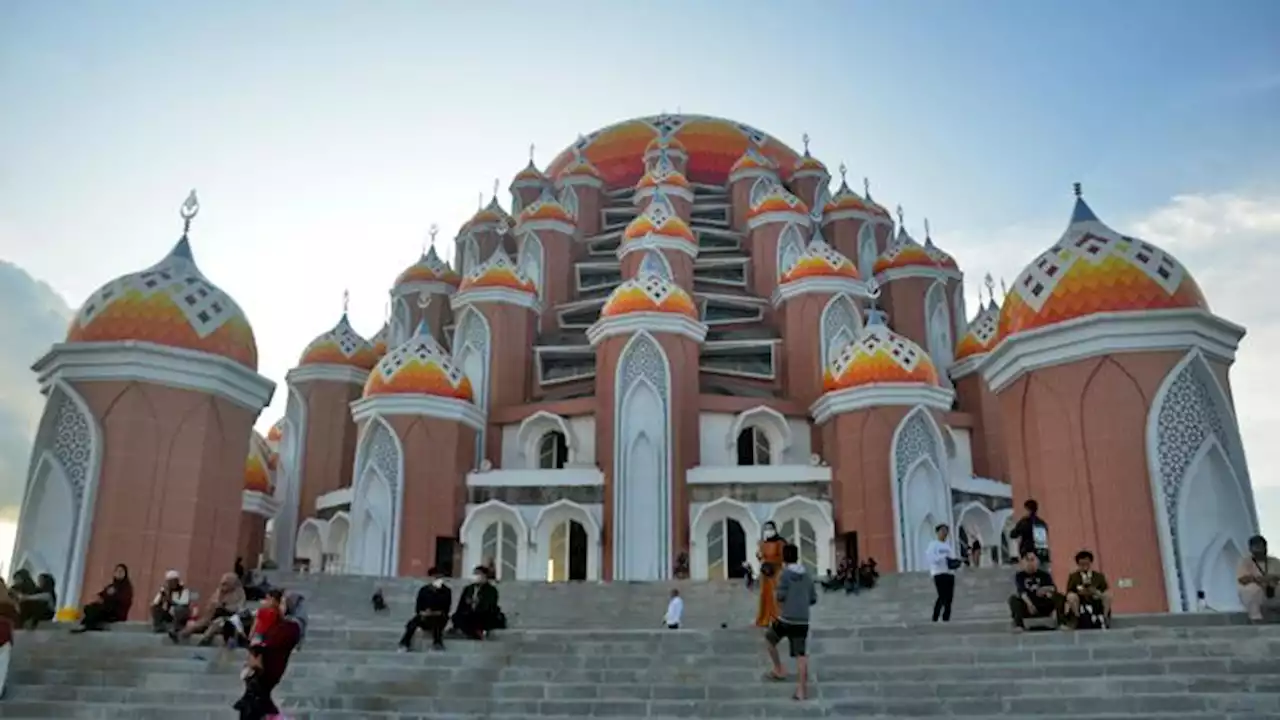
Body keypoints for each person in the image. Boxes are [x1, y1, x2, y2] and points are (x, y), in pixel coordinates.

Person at [234, 591, 303, 720]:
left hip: (269, 668)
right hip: (263, 669)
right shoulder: (282, 623)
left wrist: (258, 647)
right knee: (254, 703)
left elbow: (272, 644)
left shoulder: (291, 626)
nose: (280, 606)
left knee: (255, 704)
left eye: (283, 603)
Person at [764, 543, 818, 701]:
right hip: (802, 621)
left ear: (784, 557)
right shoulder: (807, 575)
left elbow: (780, 596)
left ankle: (778, 669)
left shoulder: (784, 574)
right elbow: (813, 598)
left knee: (769, 639)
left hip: (786, 618)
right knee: (801, 655)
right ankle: (802, 691)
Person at [177, 572, 244, 644]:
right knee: (199, 623)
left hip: (229, 618)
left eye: (226, 583)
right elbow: (211, 604)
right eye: (222, 584)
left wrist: (224, 606)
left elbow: (238, 608)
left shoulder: (239, 593)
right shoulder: (219, 591)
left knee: (216, 623)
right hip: (213, 615)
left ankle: (205, 639)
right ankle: (181, 634)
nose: (223, 586)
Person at [399, 568, 452, 652]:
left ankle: (437, 643)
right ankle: (405, 643)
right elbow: (418, 607)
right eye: (435, 577)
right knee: (412, 623)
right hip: (425, 616)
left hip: (439, 616)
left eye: (439, 577)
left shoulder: (446, 591)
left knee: (437, 623)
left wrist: (434, 612)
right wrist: (423, 612)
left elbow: (446, 608)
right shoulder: (424, 590)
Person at [1009, 550, 1063, 631]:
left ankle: (1062, 623)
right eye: (1028, 560)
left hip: (1043, 603)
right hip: (1028, 604)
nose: (1030, 563)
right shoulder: (1020, 576)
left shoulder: (1044, 575)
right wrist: (1029, 604)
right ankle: (1019, 625)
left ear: (1037, 561)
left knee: (1059, 597)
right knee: (1013, 599)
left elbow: (1052, 588)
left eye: (1032, 560)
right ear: (1023, 562)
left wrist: (1045, 589)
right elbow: (1021, 592)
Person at [72, 564, 133, 633]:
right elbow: (102, 594)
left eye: (121, 571)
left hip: (116, 613)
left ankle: (86, 626)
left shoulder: (126, 587)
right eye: (117, 571)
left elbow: (124, 601)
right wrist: (98, 597)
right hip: (106, 609)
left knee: (96, 611)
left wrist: (112, 596)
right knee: (89, 608)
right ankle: (86, 625)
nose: (119, 573)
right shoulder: (112, 586)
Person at [451, 567, 503, 639]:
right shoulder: (469, 588)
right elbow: (461, 604)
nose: (476, 577)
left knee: (479, 618)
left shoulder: (491, 590)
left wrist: (478, 602)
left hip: (483, 613)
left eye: (479, 574)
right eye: (475, 574)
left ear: (485, 576)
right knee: (457, 617)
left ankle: (475, 632)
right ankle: (474, 632)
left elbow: (490, 604)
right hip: (469, 613)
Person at [1064, 550, 1111, 629]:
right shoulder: (1073, 576)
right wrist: (1079, 592)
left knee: (1108, 595)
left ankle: (1105, 617)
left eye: (1086, 564)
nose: (1084, 566)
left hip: (1095, 597)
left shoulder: (1099, 576)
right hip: (1080, 598)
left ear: (1090, 562)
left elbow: (1105, 589)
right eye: (1081, 564)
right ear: (1078, 564)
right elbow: (1069, 591)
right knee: (1071, 596)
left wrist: (1096, 592)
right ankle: (1077, 617)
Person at [1238, 534, 1280, 623]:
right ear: (1251, 549)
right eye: (1256, 547)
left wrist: (1271, 579)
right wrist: (1259, 580)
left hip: (1273, 590)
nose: (1259, 549)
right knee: (1252, 589)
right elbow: (1242, 579)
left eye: (1261, 546)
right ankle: (1256, 618)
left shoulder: (1275, 561)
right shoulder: (1245, 562)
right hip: (1257, 591)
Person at [926, 524, 961, 622]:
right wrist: (943, 558)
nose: (944, 533)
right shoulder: (933, 545)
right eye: (942, 531)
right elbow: (931, 558)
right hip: (938, 573)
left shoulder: (948, 546)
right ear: (937, 532)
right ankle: (935, 617)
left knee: (949, 598)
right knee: (942, 596)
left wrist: (955, 562)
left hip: (949, 573)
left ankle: (946, 618)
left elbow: (951, 559)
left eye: (946, 531)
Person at [755, 521, 786, 627]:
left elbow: (782, 557)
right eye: (766, 529)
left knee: (775, 595)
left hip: (775, 572)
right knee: (765, 595)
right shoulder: (763, 542)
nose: (768, 531)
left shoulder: (780, 542)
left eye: (770, 528)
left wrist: (772, 562)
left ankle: (776, 618)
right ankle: (764, 618)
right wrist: (759, 556)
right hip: (765, 572)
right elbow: (761, 556)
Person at [1009, 499, 1051, 572]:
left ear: (1028, 510)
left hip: (1028, 556)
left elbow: (1013, 534)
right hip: (1042, 555)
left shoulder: (1024, 522)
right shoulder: (1041, 523)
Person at [150, 570, 192, 634]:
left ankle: (177, 627)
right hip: (169, 614)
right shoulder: (165, 590)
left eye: (173, 581)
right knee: (154, 607)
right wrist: (162, 594)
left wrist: (169, 599)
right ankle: (158, 626)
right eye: (170, 582)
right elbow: (155, 603)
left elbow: (184, 603)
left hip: (180, 615)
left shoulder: (183, 590)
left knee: (179, 609)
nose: (172, 583)